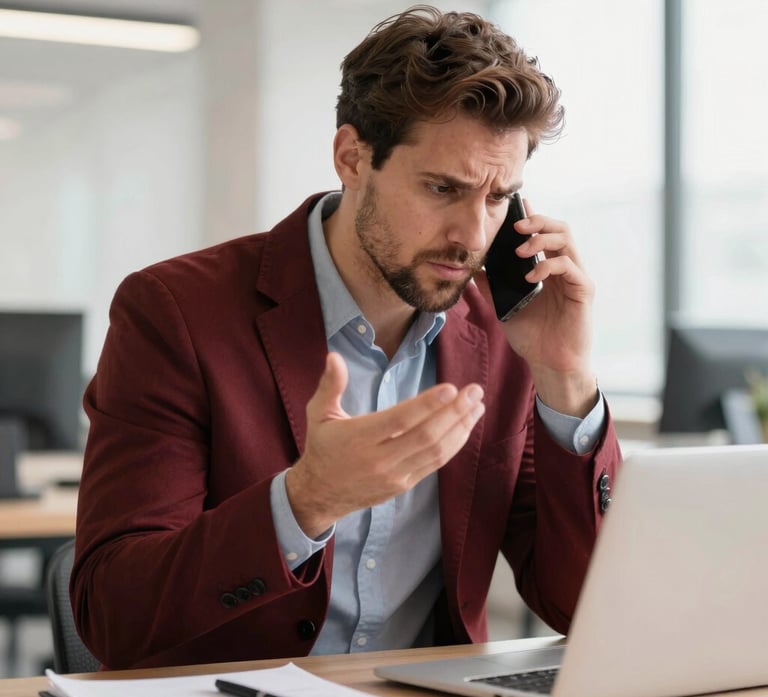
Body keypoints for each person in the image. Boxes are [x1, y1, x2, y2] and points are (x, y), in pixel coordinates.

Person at [72, 5, 622, 670]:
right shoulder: (175, 313)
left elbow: (587, 609)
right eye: (443, 188)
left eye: (499, 196)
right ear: (352, 157)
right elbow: (114, 614)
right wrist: (306, 500)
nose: (474, 235)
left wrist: (566, 377)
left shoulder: (510, 338)